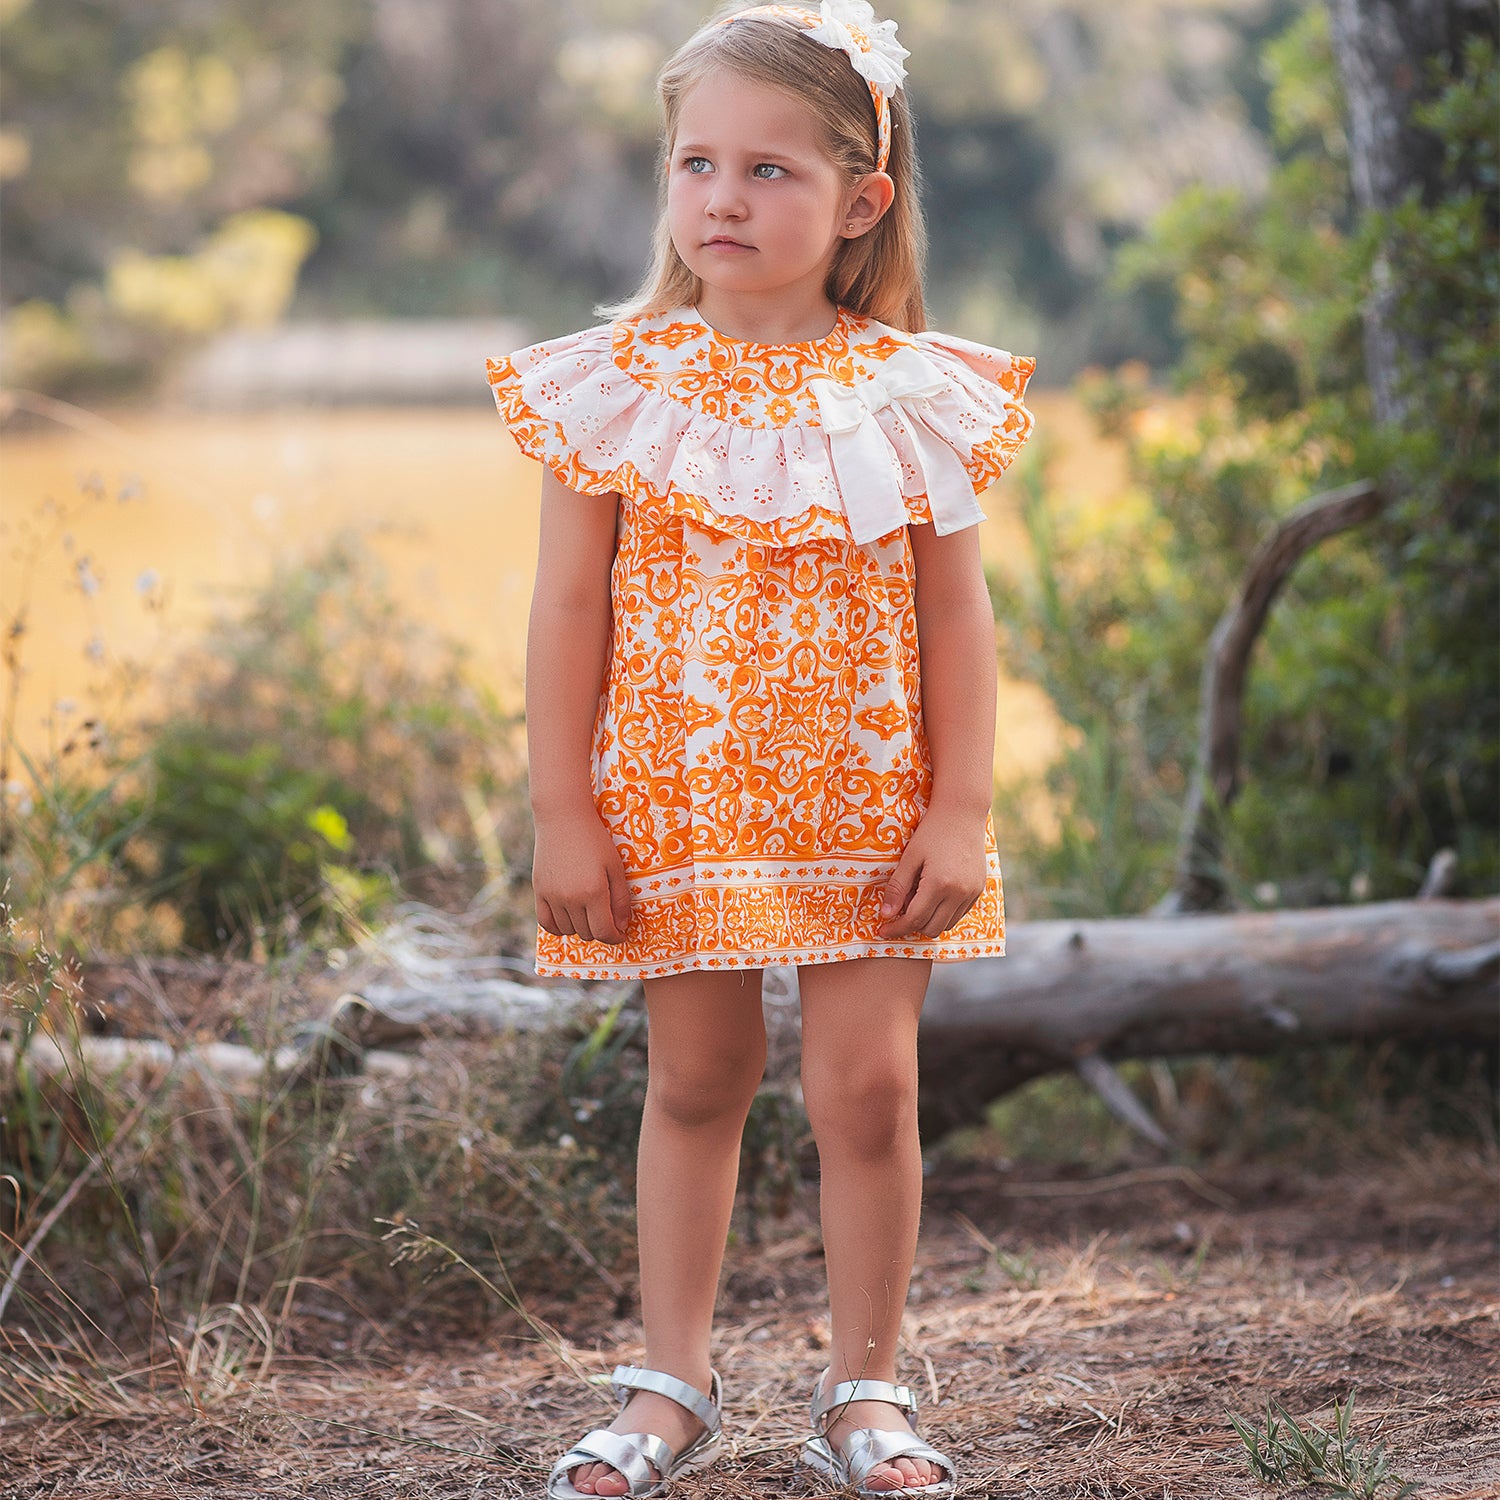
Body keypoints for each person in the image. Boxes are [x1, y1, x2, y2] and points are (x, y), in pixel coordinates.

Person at [486, 2, 1035, 1494]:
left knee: (867, 1091)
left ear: (861, 202)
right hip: (678, 795)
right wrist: (562, 812)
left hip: (873, 798)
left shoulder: (911, 391)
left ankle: (865, 1389)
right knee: (695, 1078)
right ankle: (670, 1384)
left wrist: (962, 809)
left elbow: (959, 619)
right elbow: (565, 611)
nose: (723, 197)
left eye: (770, 171)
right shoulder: (617, 385)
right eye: (696, 163)